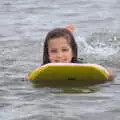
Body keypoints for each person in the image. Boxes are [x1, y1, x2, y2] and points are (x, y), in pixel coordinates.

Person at [26, 25, 115, 81]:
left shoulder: (81, 66)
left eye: (64, 50)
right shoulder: (43, 69)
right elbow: (30, 77)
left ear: (73, 52)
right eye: (53, 51)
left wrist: (109, 75)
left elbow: (108, 73)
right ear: (48, 54)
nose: (59, 56)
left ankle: (68, 32)